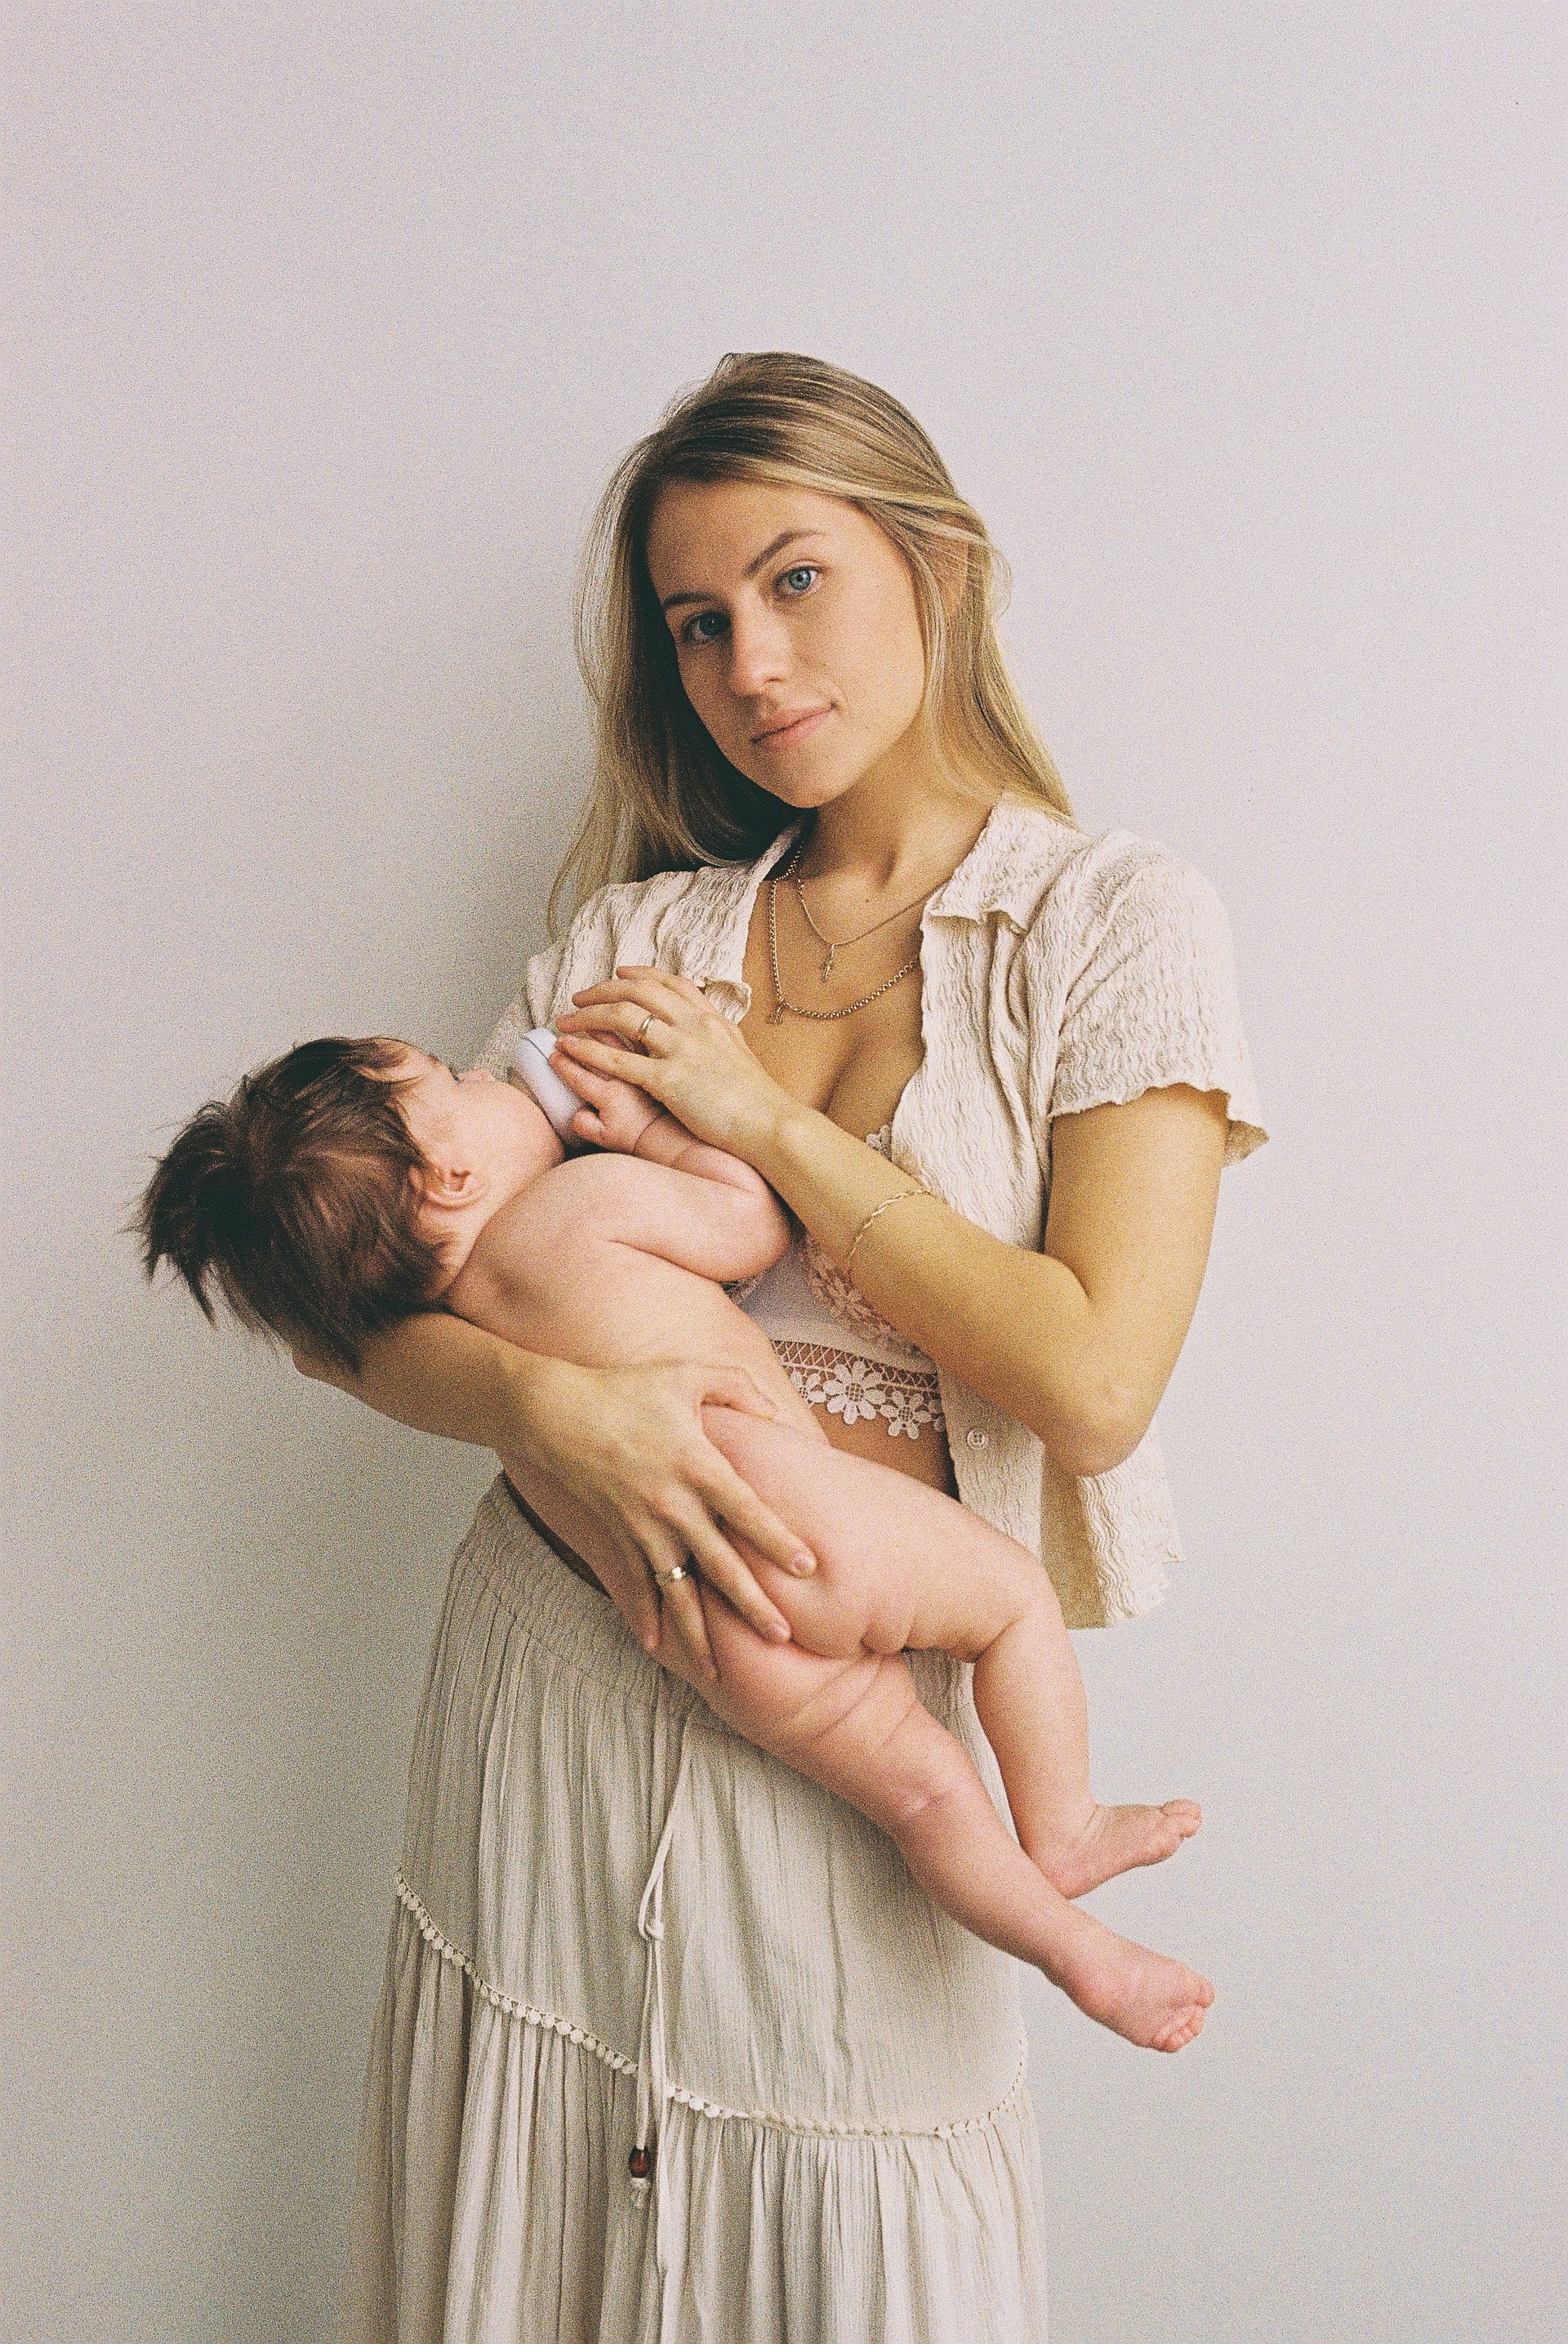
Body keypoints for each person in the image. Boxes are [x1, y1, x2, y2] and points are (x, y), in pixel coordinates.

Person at [296, 352, 1264, 2342]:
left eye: (795, 580)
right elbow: (365, 1312)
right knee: (525, 2249)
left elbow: (1093, 1384)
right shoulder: (627, 945)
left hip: (855, 1739)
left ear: (935, 565)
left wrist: (768, 1126)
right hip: (552, 1698)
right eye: (697, 622)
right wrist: (564, 1411)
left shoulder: (1112, 925)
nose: (750, 663)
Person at [137, 1029, 1214, 2057]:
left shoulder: (452, 1342)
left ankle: (1083, 1957)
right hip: (790, 1520)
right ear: (449, 1180)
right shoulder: (572, 1207)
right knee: (1012, 1600)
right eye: (458, 1081)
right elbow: (752, 1223)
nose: (488, 1073)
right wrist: (654, 1136)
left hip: (707, 1626)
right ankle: (1061, 1824)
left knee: (921, 1794)